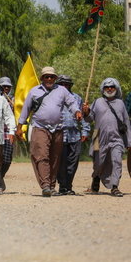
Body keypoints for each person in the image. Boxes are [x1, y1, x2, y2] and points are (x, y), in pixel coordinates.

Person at [16, 67, 82, 197]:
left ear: (55, 79)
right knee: (41, 156)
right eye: (47, 77)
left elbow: (72, 102)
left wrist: (77, 111)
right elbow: (25, 110)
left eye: (52, 77)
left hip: (58, 128)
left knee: (55, 158)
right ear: (42, 78)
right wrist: (19, 127)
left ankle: (52, 186)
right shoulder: (34, 92)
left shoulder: (62, 90)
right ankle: (45, 185)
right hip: (40, 127)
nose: (49, 79)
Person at [82, 78, 131, 197]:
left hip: (117, 138)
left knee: (117, 161)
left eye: (112, 87)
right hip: (98, 136)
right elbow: (89, 119)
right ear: (103, 89)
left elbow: (126, 122)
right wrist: (86, 112)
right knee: (98, 162)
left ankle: (115, 187)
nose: (109, 89)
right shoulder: (97, 101)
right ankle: (96, 177)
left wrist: (129, 141)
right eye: (107, 87)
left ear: (116, 88)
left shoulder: (120, 103)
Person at [55, 75, 90, 195]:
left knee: (73, 162)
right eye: (62, 84)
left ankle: (68, 186)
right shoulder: (54, 98)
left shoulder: (77, 98)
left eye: (67, 84)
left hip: (75, 134)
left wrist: (85, 130)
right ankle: (62, 186)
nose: (65, 86)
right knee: (61, 162)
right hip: (59, 134)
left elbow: (83, 117)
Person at [0, 76, 14, 193]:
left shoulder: (15, 99)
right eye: (3, 87)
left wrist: (14, 105)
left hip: (9, 132)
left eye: (8, 87)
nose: (6, 89)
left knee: (7, 159)